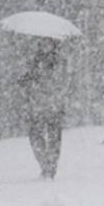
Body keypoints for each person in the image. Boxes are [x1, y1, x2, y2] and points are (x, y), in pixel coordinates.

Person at [19, 39, 68, 179]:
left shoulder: (60, 61)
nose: (45, 46)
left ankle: (51, 166)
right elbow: (24, 81)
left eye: (48, 42)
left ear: (53, 45)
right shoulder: (33, 61)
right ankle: (44, 164)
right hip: (36, 105)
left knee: (54, 138)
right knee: (35, 136)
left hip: (54, 105)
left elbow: (63, 82)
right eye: (43, 43)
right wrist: (27, 79)